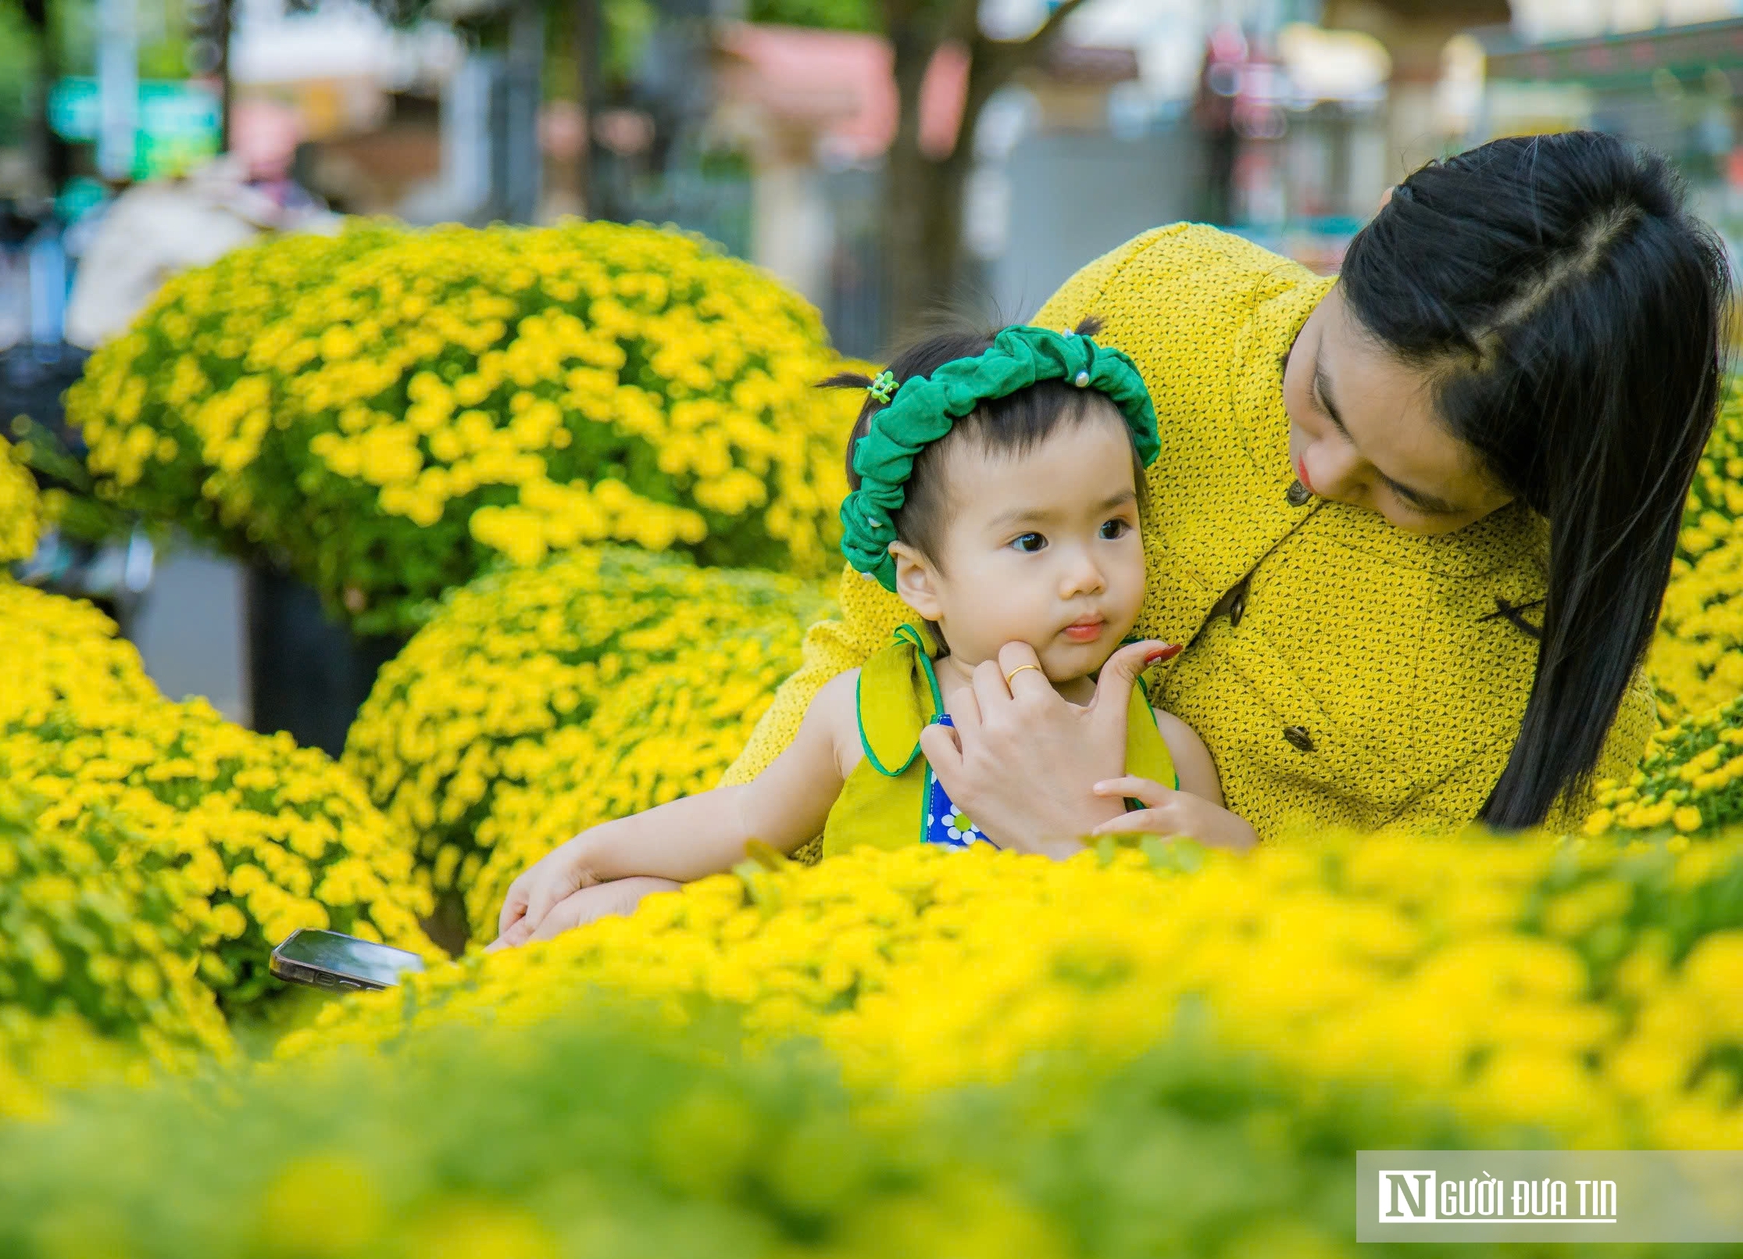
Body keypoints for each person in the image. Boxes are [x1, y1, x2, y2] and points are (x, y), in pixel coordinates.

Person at [506, 130, 1730, 947]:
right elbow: (870, 635)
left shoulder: (1536, 698)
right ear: (1350, 259)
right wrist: (697, 880)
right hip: (840, 926)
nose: (1316, 472)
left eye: (1410, 495)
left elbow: (1433, 995)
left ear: (1534, 496)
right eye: (1318, 393)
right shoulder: (1155, 301)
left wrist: (1178, 875)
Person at [494, 323, 1257, 946]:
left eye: (1113, 526)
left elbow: (1209, 931)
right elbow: (744, 820)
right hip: (853, 979)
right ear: (920, 580)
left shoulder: (1161, 747)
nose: (1087, 573)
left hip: (1039, 1012)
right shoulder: (866, 709)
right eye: (1032, 542)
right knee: (603, 912)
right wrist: (588, 855)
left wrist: (1230, 850)